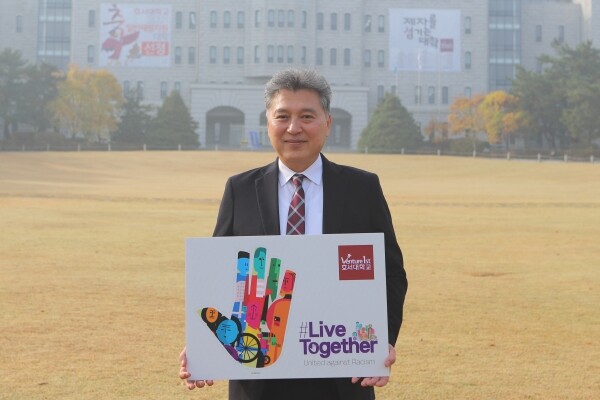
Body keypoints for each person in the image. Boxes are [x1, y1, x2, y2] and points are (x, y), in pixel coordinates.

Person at [179, 68, 407, 400]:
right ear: (268, 122)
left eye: (307, 116)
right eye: (282, 116)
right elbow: (221, 276)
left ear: (327, 123)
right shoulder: (240, 189)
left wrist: (383, 340)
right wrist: (204, 344)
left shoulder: (362, 188)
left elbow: (391, 273)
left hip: (342, 372)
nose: (293, 128)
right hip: (259, 378)